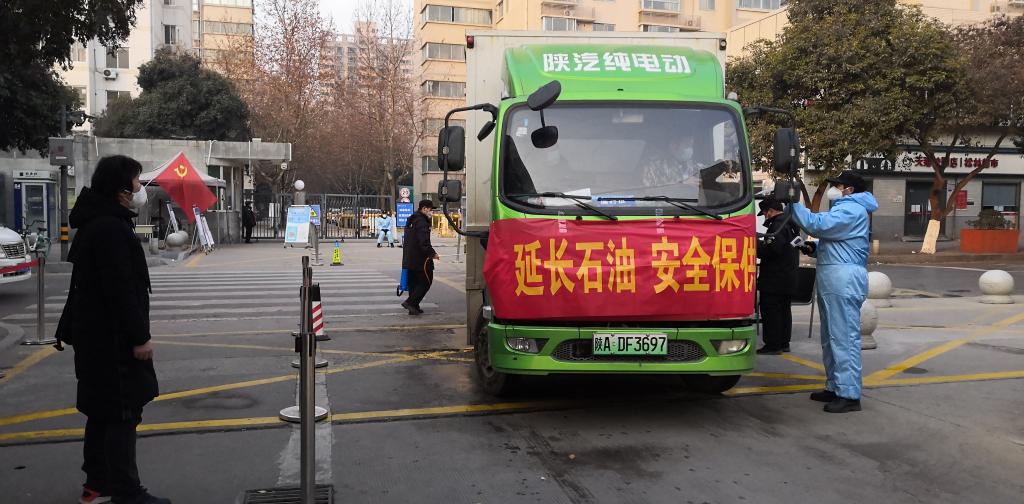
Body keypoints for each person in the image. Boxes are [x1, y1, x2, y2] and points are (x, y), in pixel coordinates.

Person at [61, 155, 170, 503]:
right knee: (123, 413)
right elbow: (120, 289)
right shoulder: (110, 228)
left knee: (101, 411)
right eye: (136, 181)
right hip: (112, 341)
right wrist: (139, 338)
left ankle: (97, 483)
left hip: (95, 338)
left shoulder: (98, 222)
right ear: (121, 189)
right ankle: (126, 491)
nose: (140, 188)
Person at [789, 170, 878, 414]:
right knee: (831, 338)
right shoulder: (847, 208)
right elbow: (837, 240)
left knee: (844, 338)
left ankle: (849, 394)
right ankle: (835, 386)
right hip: (834, 277)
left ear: (849, 189)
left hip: (843, 279)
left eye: (837, 185)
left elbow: (818, 225)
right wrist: (814, 248)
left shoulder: (852, 209)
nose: (834, 189)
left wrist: (793, 202)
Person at [756, 197, 800, 355]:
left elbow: (773, 249)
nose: (765, 217)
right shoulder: (790, 223)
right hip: (787, 277)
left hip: (774, 279)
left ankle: (773, 345)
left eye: (764, 213)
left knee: (771, 311)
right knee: (784, 311)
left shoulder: (777, 225)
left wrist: (755, 244)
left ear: (770, 211)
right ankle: (783, 343)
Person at [401, 200, 439, 315]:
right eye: (431, 210)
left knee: (414, 283)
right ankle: (410, 303)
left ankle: (414, 307)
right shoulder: (422, 222)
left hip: (409, 257)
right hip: (421, 259)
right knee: (426, 281)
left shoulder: (412, 219)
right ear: (424, 209)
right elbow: (424, 242)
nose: (431, 212)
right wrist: (432, 254)